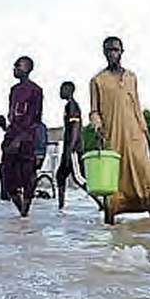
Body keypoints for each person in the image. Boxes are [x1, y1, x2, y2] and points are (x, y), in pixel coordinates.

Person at [90, 37, 150, 225]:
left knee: (145, 174)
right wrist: (97, 126)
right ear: (103, 53)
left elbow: (137, 108)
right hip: (112, 137)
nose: (111, 54)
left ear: (122, 51)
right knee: (114, 180)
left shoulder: (131, 77)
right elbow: (94, 110)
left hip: (135, 136)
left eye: (115, 50)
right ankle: (111, 226)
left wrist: (149, 140)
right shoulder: (97, 80)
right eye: (108, 50)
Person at [2, 56, 43, 218]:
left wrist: (20, 140)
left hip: (27, 140)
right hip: (12, 136)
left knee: (28, 176)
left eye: (18, 66)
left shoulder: (35, 91)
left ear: (27, 68)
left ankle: (25, 211)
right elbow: (12, 116)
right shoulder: (14, 90)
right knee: (7, 179)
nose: (15, 69)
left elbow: (35, 119)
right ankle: (21, 210)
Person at [56, 81, 86, 209]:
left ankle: (102, 202)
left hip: (73, 149)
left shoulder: (72, 106)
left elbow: (75, 127)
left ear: (69, 90)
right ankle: (61, 207)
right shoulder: (68, 106)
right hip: (67, 149)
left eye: (63, 89)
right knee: (60, 176)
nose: (60, 92)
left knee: (79, 178)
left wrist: (70, 149)